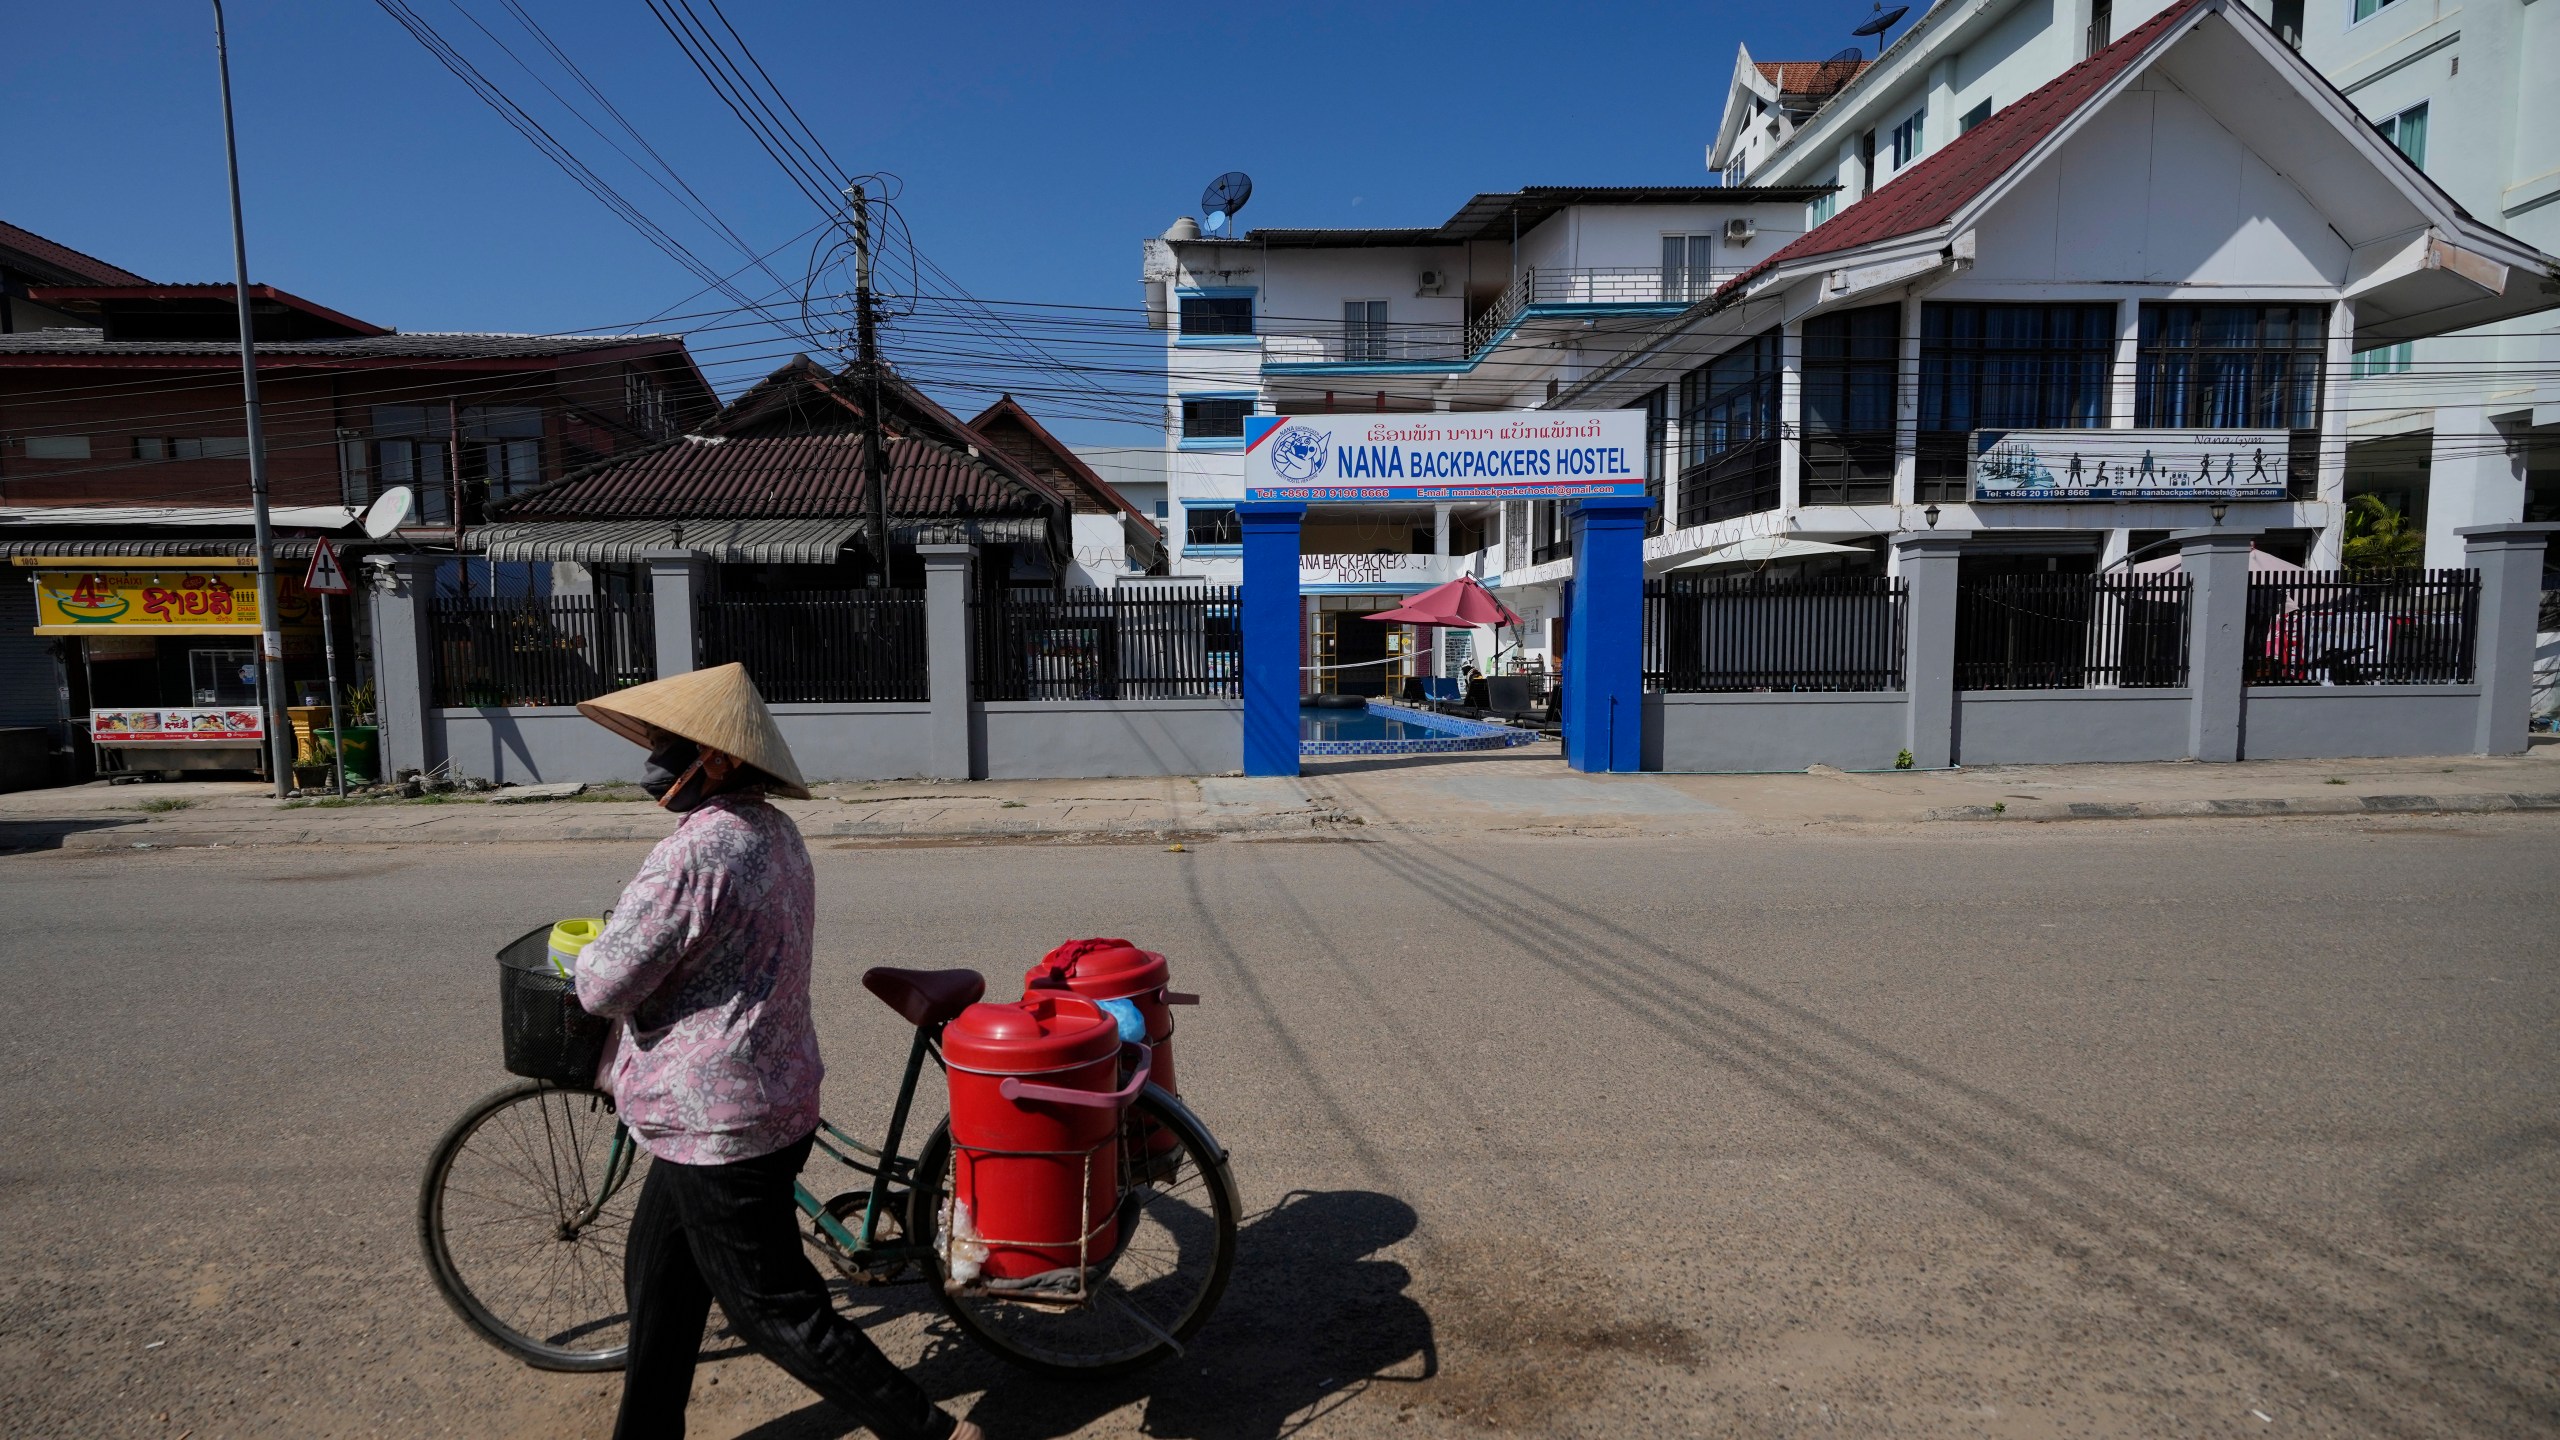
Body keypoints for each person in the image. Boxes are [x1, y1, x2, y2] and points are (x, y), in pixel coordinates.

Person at [570, 663, 978, 1440]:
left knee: (777, 1314)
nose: (653, 757)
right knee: (661, 1278)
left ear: (717, 759)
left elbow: (604, 985)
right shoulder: (773, 832)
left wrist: (585, 960)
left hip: (717, 1122)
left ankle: (930, 1430)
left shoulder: (696, 853)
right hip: (765, 1093)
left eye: (668, 743)